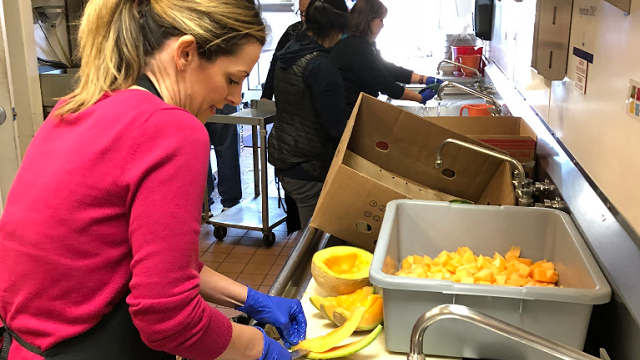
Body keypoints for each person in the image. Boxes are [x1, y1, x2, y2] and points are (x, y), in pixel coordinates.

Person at [0, 0, 305, 359]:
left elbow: (145, 261)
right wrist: (261, 348)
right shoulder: (171, 130)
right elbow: (170, 318)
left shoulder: (77, 107)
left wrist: (250, 300)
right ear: (186, 53)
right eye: (232, 79)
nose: (234, 98)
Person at [268, 0, 350, 228]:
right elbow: (335, 127)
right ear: (334, 30)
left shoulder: (290, 52)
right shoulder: (321, 65)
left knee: (306, 235)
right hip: (309, 166)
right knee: (315, 242)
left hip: (287, 157)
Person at [331, 0, 443, 113]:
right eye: (381, 20)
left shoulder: (361, 44)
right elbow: (384, 84)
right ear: (368, 19)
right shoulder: (356, 47)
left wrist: (424, 79)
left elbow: (387, 69)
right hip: (349, 113)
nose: (382, 25)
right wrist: (419, 98)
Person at [260, 0, 310, 101]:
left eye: (306, 13)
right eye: (301, 13)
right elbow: (275, 62)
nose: (303, 18)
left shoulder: (330, 35)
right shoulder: (292, 31)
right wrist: (266, 96)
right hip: (290, 96)